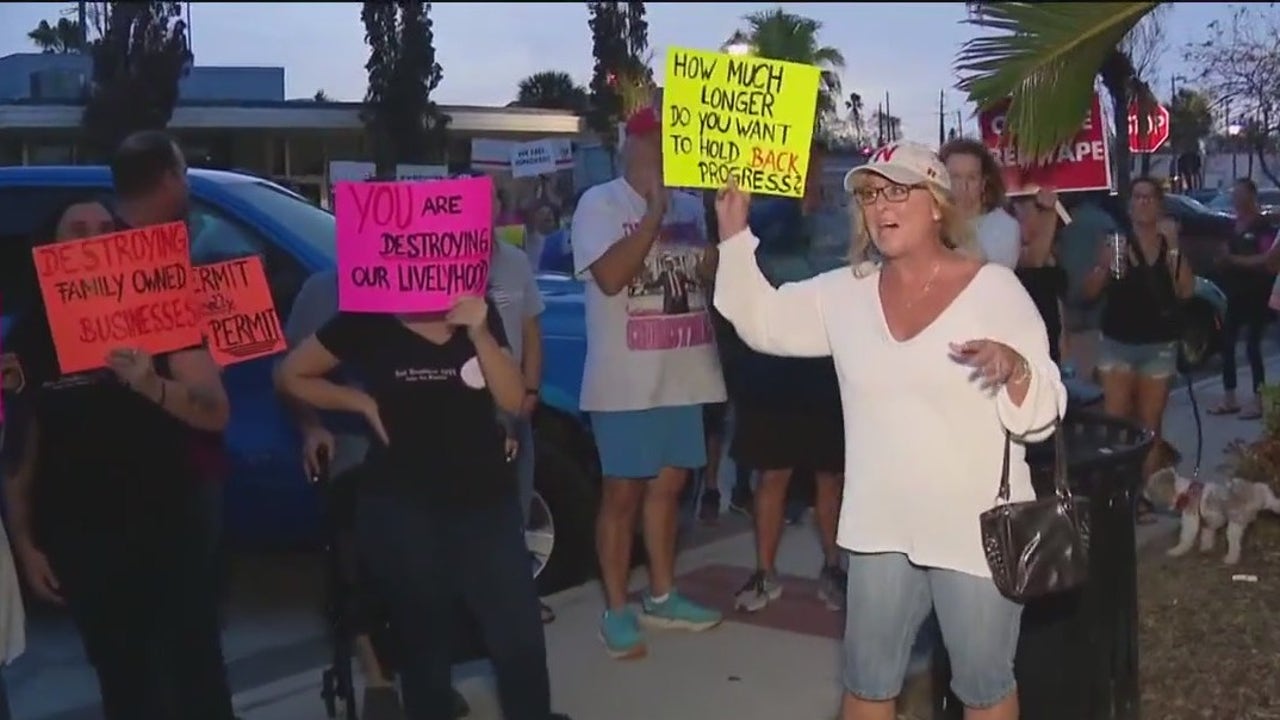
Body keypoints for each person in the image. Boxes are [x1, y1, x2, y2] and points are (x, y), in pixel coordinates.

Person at [713, 140, 1066, 720]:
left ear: (936, 206)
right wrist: (732, 234)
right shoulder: (844, 292)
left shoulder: (994, 289)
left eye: (899, 190)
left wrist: (1018, 369)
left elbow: (1046, 413)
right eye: (872, 194)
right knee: (867, 685)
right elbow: (764, 321)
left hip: (973, 532)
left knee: (984, 690)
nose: (882, 204)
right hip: (880, 531)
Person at [5, 133, 237, 720]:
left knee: (195, 677)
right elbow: (21, 448)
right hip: (84, 540)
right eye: (75, 233)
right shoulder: (29, 338)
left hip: (172, 523)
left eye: (104, 232)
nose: (91, 243)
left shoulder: (165, 312)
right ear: (50, 253)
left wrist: (152, 385)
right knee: (124, 684)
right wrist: (25, 541)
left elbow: (215, 410)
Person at [276, 288, 568, 720]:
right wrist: (360, 403)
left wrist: (482, 333)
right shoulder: (368, 314)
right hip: (402, 504)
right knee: (424, 645)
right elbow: (292, 374)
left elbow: (510, 398)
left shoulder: (475, 307)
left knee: (519, 639)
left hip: (484, 500)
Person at [571, 106, 726, 660]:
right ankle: (616, 609)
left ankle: (662, 594)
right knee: (622, 495)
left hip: (683, 375)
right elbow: (611, 278)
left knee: (669, 490)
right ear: (630, 146)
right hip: (624, 383)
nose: (664, 147)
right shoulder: (600, 203)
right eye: (655, 139)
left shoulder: (689, 203)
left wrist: (723, 230)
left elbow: (709, 276)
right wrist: (655, 213)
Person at [284, 269, 472, 719]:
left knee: (431, 575)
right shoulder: (321, 290)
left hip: (424, 462)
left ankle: (429, 676)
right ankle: (379, 682)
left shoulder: (434, 281)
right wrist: (311, 427)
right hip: (352, 456)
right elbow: (290, 373)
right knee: (356, 575)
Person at [728, 139, 848, 613]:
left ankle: (834, 567)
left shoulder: (840, 223)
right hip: (771, 367)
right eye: (801, 163)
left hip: (824, 368)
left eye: (814, 164)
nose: (808, 172)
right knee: (771, 474)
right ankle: (764, 572)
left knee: (830, 477)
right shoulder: (764, 219)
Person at [1082, 177, 1194, 484]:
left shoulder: (1166, 244)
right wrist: (1102, 267)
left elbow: (1185, 291)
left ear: (1160, 205)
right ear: (1129, 205)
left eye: (1149, 197)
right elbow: (1088, 293)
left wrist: (1173, 247)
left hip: (1158, 345)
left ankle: (1150, 490)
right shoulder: (1117, 242)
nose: (1142, 203)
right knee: (1118, 423)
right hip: (1118, 342)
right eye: (1137, 197)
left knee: (1150, 425)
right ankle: (1122, 493)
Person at [480, 175, 554, 625]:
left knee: (517, 505)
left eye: (489, 200)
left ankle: (518, 598)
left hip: (515, 408)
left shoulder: (516, 261)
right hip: (470, 411)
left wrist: (530, 390)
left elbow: (531, 329)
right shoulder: (447, 265)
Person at [1211, 178, 1277, 419]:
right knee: (1227, 344)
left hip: (1258, 293)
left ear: (1251, 196)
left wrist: (1235, 261)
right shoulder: (1232, 226)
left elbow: (1268, 260)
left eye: (1240, 195)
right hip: (1234, 293)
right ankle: (1230, 398)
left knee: (1252, 346)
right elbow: (1224, 256)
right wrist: (1221, 262)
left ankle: (1258, 400)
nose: (1236, 200)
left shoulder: (1263, 225)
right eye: (1234, 195)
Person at [940, 138, 1020, 269]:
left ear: (983, 183)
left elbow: (994, 277)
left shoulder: (1004, 226)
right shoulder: (928, 223)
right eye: (954, 177)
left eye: (971, 178)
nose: (963, 186)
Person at [1011, 188, 1069, 364]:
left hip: (1048, 343)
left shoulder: (1053, 255)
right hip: (1019, 340)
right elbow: (1034, 259)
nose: (1026, 220)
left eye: (1032, 212)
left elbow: (1058, 302)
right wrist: (1050, 212)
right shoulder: (1008, 250)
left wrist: (1064, 341)